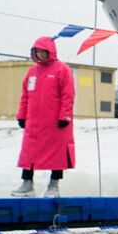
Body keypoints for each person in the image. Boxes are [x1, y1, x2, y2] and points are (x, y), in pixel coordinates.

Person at [12, 36, 75, 198]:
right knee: (28, 154)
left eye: (42, 52)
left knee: (57, 154)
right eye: (37, 52)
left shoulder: (62, 69)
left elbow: (68, 95)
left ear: (50, 52)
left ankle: (54, 186)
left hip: (55, 123)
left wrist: (64, 116)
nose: (40, 55)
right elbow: (25, 95)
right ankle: (27, 184)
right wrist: (22, 116)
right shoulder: (32, 72)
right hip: (34, 123)